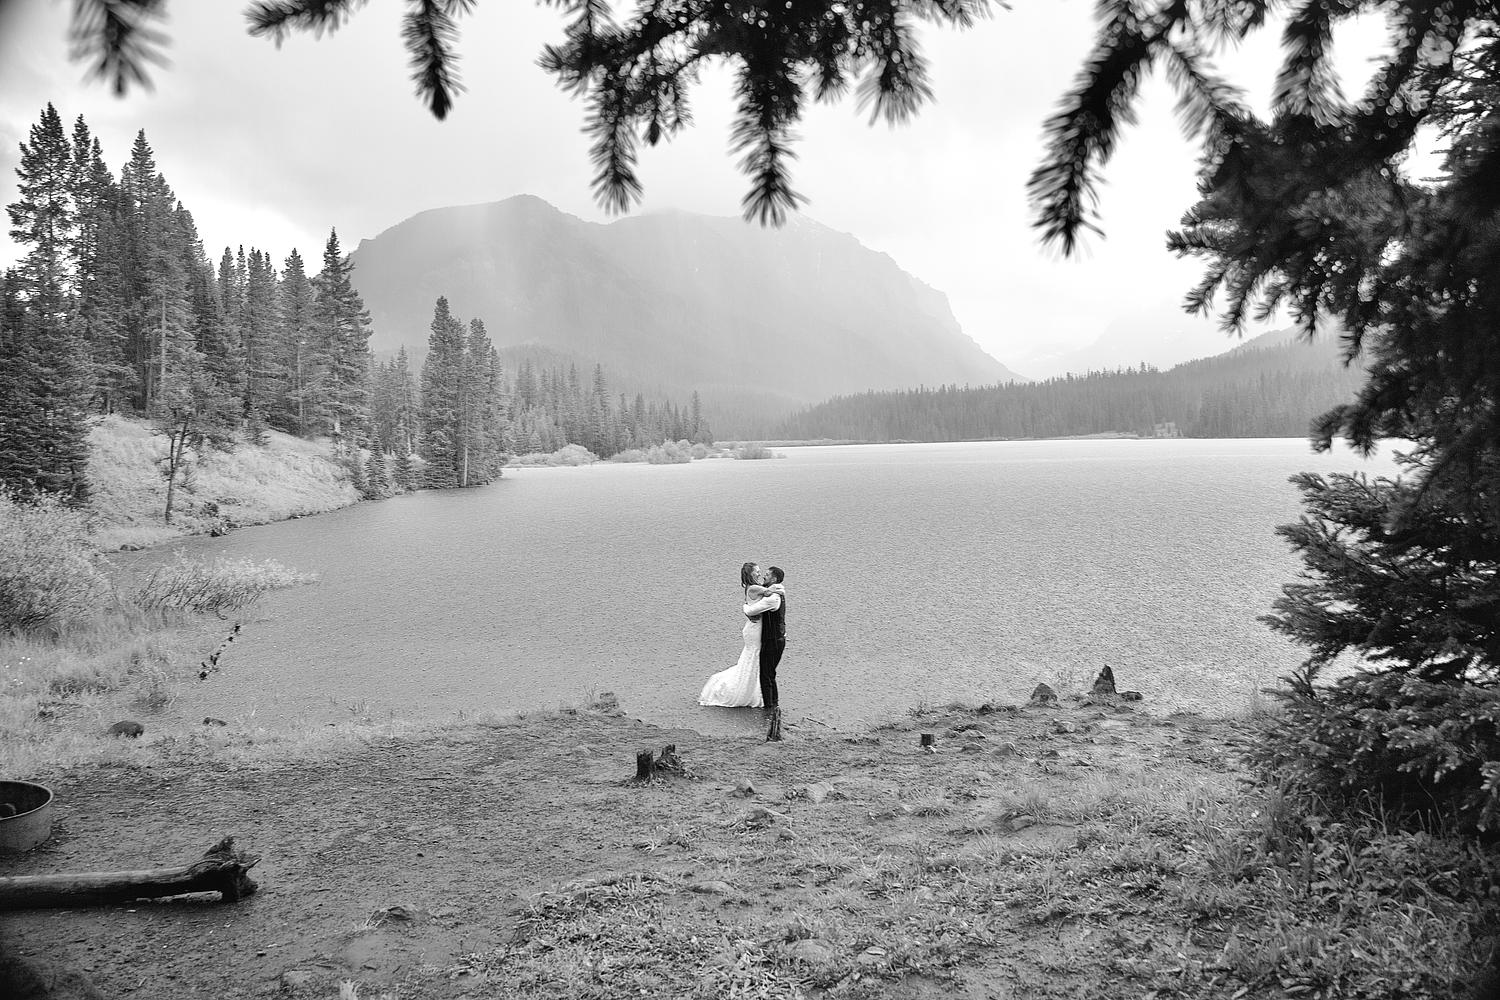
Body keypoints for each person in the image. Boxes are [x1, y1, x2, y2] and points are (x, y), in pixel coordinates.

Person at [697, 562, 782, 708]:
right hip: (755, 630)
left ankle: (757, 693)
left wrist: (746, 607)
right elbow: (770, 591)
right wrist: (781, 590)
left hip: (756, 627)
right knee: (754, 658)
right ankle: (745, 693)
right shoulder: (754, 588)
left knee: (754, 660)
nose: (759, 574)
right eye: (757, 571)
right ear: (750, 574)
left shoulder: (753, 587)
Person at [758, 566, 787, 713]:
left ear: (774, 579)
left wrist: (745, 607)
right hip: (778, 639)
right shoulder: (777, 593)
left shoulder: (773, 598)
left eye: (767, 575)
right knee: (770, 673)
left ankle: (769, 707)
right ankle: (774, 705)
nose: (764, 576)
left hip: (773, 640)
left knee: (766, 674)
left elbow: (752, 610)